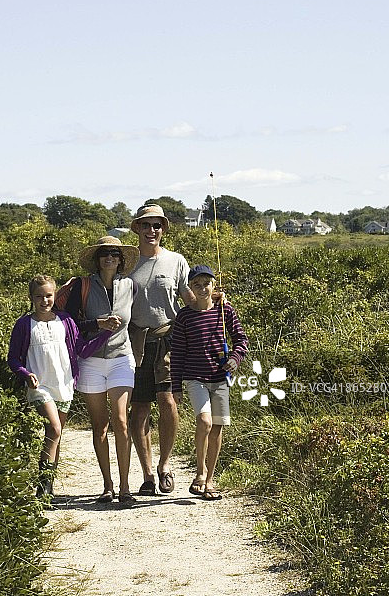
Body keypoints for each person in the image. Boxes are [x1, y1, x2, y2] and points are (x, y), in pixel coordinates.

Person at [7, 274, 112, 500]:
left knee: (54, 436)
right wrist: (25, 374)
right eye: (39, 297)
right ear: (31, 298)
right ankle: (43, 488)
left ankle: (48, 488)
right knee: (54, 429)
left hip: (64, 385)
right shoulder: (24, 324)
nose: (45, 301)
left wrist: (106, 334)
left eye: (49, 295)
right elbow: (13, 358)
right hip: (40, 387)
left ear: (55, 295)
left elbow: (81, 349)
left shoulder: (65, 321)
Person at [55, 236, 140, 507]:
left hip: (121, 358)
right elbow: (68, 323)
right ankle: (107, 485)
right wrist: (97, 323)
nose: (110, 258)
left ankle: (125, 487)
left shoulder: (131, 286)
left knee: (121, 420)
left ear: (121, 259)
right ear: (97, 259)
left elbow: (137, 321)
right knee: (100, 425)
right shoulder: (82, 285)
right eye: (105, 254)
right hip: (90, 360)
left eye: (115, 254)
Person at [128, 204, 194, 496]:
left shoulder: (176, 260)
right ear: (138, 229)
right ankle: (146, 475)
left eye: (157, 225)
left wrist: (212, 297)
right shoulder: (127, 262)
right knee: (139, 408)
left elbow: (188, 297)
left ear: (163, 229)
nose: (151, 231)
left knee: (168, 401)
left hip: (168, 338)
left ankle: (165, 466)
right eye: (146, 225)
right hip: (134, 342)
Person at [170, 265, 249, 501]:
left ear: (214, 285)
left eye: (207, 284)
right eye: (197, 284)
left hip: (220, 378)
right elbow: (177, 354)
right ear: (190, 288)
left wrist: (235, 359)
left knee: (217, 426)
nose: (203, 288)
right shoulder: (184, 316)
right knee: (204, 421)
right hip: (195, 378)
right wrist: (176, 387)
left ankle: (209, 481)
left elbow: (241, 339)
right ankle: (200, 471)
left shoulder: (225, 310)